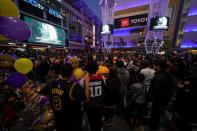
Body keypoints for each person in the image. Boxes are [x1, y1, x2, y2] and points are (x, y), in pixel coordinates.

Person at [40, 63, 85, 131]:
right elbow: (85, 99)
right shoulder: (74, 86)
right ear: (71, 73)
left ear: (61, 72)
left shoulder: (53, 83)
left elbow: (42, 91)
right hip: (73, 122)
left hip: (58, 120)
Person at [147, 59, 175, 131]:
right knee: (157, 115)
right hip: (164, 99)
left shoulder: (158, 77)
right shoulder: (168, 75)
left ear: (158, 66)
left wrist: (151, 100)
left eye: (154, 65)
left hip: (157, 100)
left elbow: (155, 90)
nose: (153, 66)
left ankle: (153, 127)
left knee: (154, 115)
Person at [84, 61, 106, 131]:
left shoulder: (84, 79)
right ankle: (99, 128)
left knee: (91, 119)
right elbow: (104, 88)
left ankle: (92, 127)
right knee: (99, 118)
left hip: (90, 104)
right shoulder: (102, 77)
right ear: (97, 68)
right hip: (100, 103)